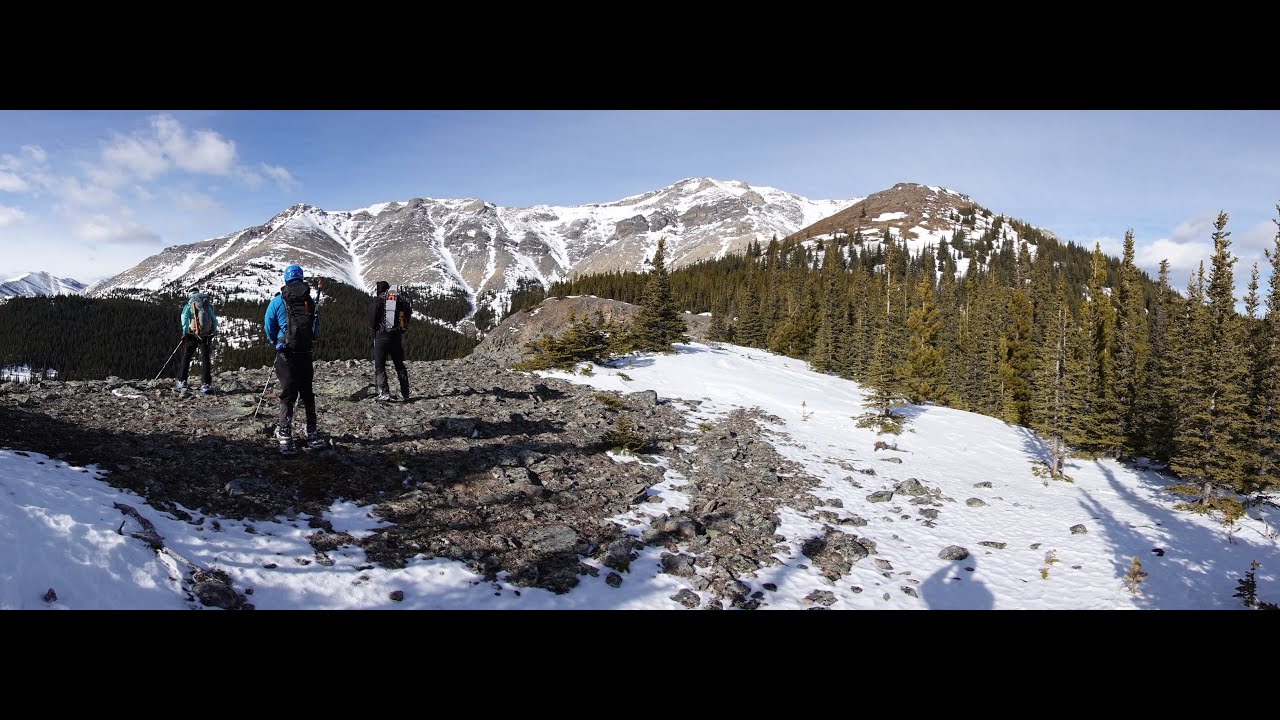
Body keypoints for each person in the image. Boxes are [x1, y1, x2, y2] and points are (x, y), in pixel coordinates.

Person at [264, 264, 325, 453]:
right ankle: (312, 432)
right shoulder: (309, 300)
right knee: (307, 393)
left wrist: (275, 341)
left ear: (286, 279)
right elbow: (315, 326)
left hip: (286, 353)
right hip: (305, 352)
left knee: (288, 394)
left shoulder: (278, 301)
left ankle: (285, 434)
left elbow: (269, 325)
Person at [369, 280, 411, 402]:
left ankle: (384, 392)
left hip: (382, 336)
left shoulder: (378, 300)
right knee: (399, 365)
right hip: (396, 337)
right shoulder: (399, 300)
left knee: (380, 366)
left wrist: (376, 327)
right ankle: (405, 393)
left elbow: (372, 321)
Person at [177, 288, 218, 393]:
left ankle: (182, 381)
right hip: (206, 334)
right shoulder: (206, 304)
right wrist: (211, 331)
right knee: (205, 357)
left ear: (190, 294)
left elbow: (184, 319)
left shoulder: (189, 305)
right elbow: (214, 320)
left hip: (192, 333)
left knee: (187, 356)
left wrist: (184, 333)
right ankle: (206, 384)